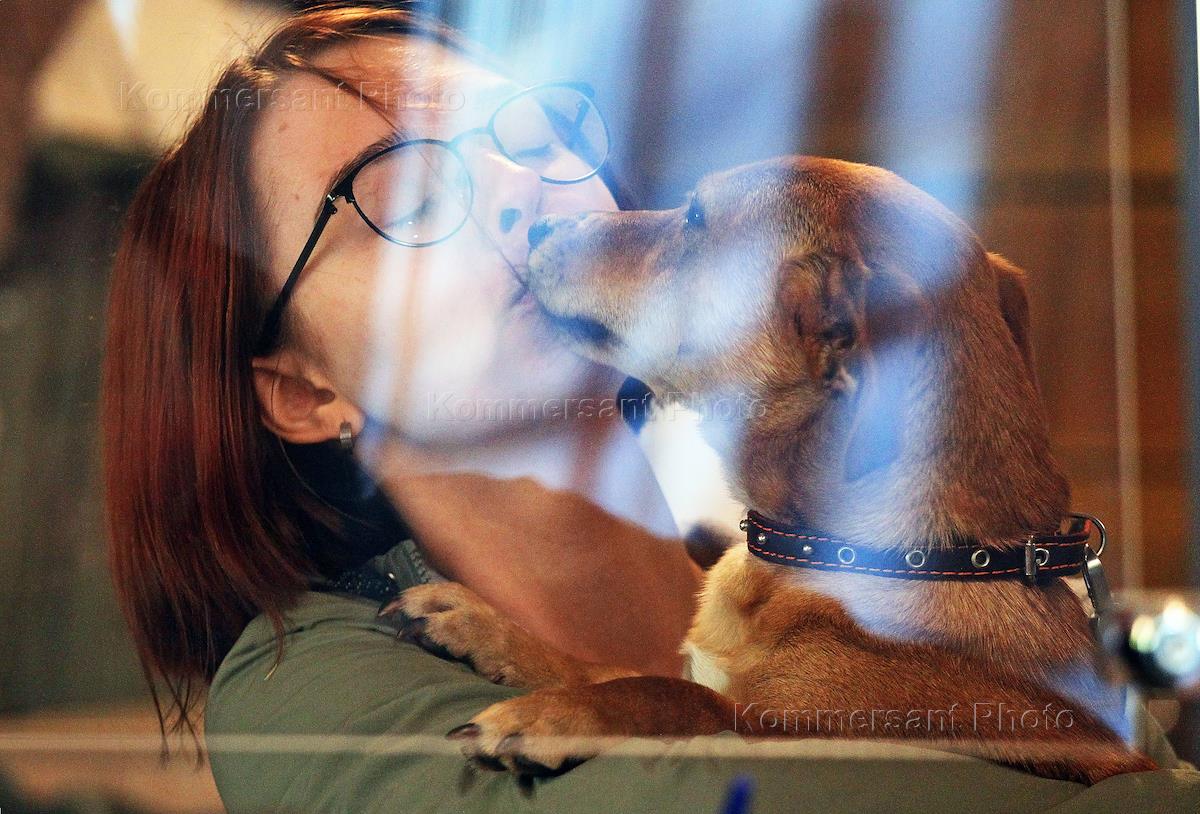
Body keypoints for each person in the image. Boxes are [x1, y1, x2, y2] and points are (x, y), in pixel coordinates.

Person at [101, 5, 1199, 812]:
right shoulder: (306, 688)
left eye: (531, 132)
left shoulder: (915, 572)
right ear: (303, 390)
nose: (527, 194)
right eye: (412, 193)